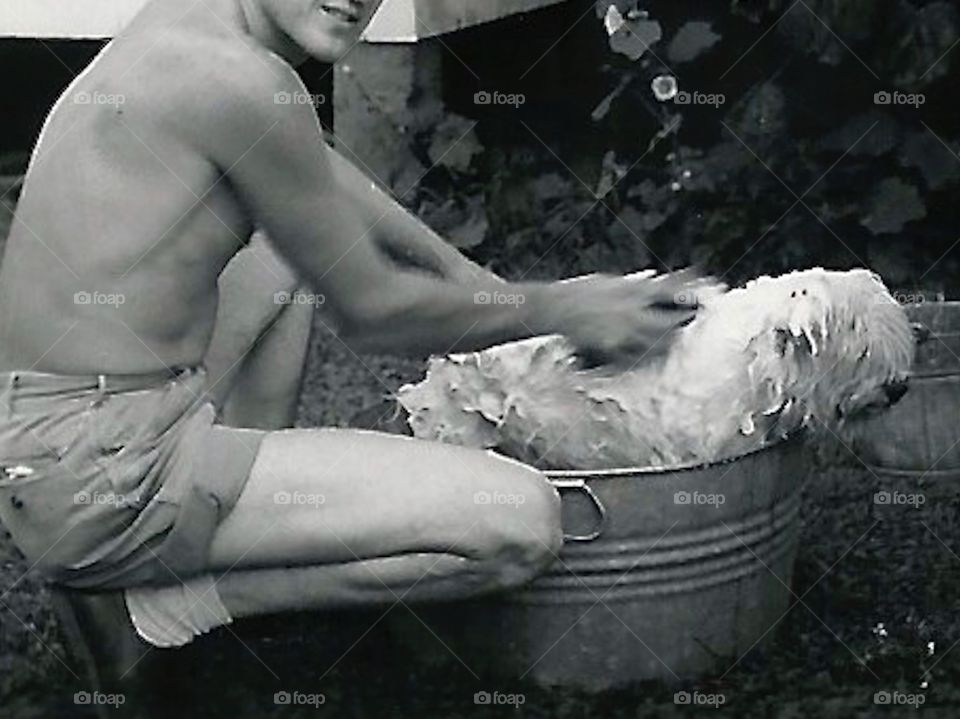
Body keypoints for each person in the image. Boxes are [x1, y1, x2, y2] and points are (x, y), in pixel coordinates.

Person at [0, 0, 704, 697]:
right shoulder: (237, 81)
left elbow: (313, 168)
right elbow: (374, 311)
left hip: (45, 436)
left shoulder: (183, 29)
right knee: (522, 521)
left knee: (280, 251)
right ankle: (158, 610)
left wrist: (473, 279)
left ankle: (207, 531)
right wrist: (562, 306)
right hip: (105, 468)